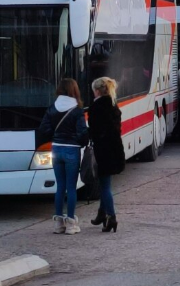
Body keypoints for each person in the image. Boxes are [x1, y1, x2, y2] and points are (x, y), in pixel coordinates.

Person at [39, 79, 88, 235]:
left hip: (56, 149)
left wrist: (56, 135)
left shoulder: (52, 108)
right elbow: (82, 134)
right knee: (71, 187)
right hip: (72, 150)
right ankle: (71, 223)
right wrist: (82, 142)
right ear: (74, 90)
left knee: (60, 186)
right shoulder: (77, 110)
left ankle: (58, 223)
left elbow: (44, 129)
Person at [88, 77, 124, 233]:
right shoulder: (113, 105)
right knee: (105, 183)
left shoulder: (96, 107)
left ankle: (111, 216)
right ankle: (102, 214)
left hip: (103, 150)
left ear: (97, 91)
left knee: (105, 186)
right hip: (115, 149)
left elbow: (95, 131)